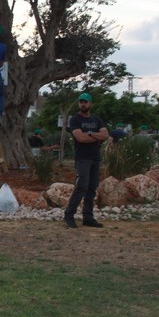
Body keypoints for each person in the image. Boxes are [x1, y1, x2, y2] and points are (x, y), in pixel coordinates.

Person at [64, 92, 109, 229]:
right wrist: (96, 136)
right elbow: (80, 138)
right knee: (81, 186)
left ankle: (88, 217)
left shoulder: (97, 120)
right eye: (81, 102)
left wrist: (90, 133)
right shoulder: (75, 120)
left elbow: (106, 135)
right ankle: (69, 215)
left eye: (85, 101)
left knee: (91, 188)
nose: (83, 104)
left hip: (95, 158)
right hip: (83, 158)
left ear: (90, 104)